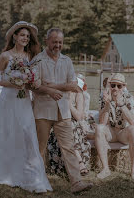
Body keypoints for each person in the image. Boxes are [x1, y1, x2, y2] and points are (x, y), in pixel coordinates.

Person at [0, 21, 52, 193]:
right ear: (14, 37)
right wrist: (13, 83)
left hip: (24, 99)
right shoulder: (5, 56)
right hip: (8, 99)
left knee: (27, 132)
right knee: (7, 131)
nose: (25, 38)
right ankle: (3, 171)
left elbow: (33, 77)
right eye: (22, 35)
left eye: (27, 36)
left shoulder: (29, 57)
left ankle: (29, 172)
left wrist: (29, 82)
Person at [32, 28, 93, 193]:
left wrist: (51, 86)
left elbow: (73, 86)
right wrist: (50, 89)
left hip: (63, 111)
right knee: (40, 147)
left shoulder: (67, 61)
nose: (57, 45)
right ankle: (37, 181)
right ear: (47, 41)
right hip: (43, 111)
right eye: (54, 42)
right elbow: (34, 86)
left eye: (60, 42)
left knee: (69, 147)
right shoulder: (37, 60)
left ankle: (76, 183)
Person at [95, 73, 134, 180]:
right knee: (99, 128)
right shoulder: (105, 97)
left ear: (123, 87)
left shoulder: (128, 98)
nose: (115, 88)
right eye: (113, 85)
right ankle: (106, 169)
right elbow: (102, 122)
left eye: (119, 86)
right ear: (110, 85)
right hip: (111, 132)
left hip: (123, 132)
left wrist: (122, 105)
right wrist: (107, 104)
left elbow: (133, 121)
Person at [46, 76, 91, 177]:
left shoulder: (78, 94)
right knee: (65, 127)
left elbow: (78, 116)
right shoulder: (56, 93)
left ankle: (77, 162)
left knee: (70, 127)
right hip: (58, 126)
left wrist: (68, 103)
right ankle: (79, 162)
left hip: (74, 127)